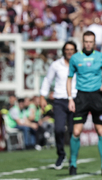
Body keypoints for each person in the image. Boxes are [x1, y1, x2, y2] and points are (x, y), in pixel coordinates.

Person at [67, 31, 102, 176]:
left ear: (94, 43)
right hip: (81, 96)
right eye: (86, 41)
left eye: (91, 42)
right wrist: (70, 98)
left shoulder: (101, 57)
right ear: (83, 42)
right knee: (76, 131)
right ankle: (73, 163)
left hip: (96, 96)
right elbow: (69, 79)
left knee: (101, 131)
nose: (88, 44)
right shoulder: (75, 58)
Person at [40, 41, 78, 169]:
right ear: (63, 51)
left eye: (72, 49)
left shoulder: (79, 64)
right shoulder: (56, 65)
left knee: (74, 131)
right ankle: (61, 154)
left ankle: (73, 158)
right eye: (67, 49)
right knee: (59, 129)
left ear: (75, 51)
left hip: (75, 99)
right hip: (60, 100)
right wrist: (42, 96)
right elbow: (47, 80)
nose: (69, 51)